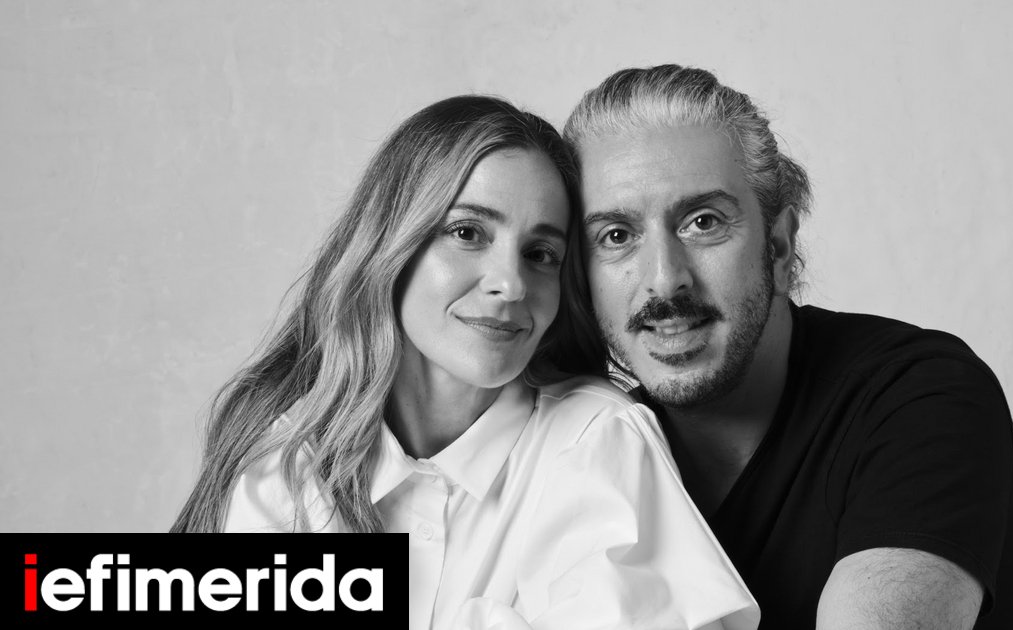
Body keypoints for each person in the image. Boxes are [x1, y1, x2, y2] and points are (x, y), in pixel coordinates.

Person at [171, 95, 758, 630]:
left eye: (541, 253)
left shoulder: (593, 439)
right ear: (390, 245)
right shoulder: (286, 468)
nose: (511, 283)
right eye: (468, 232)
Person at [562, 65, 1013, 629]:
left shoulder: (925, 396)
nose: (665, 281)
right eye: (616, 236)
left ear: (780, 246)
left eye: (703, 222)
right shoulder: (591, 449)